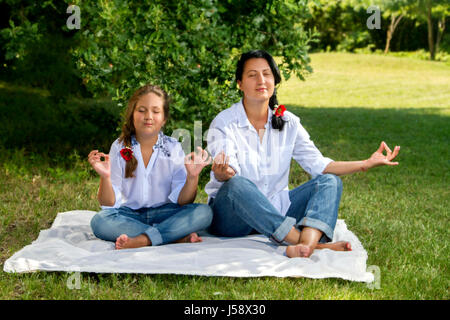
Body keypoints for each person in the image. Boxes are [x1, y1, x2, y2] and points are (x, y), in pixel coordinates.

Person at [205, 50, 400, 258]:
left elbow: (320, 165)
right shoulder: (225, 121)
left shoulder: (288, 121)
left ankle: (303, 247)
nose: (261, 80)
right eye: (252, 75)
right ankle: (311, 244)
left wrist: (366, 163)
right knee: (238, 185)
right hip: (233, 219)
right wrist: (223, 172)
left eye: (267, 74)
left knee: (329, 182)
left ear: (275, 80)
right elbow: (229, 171)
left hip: (277, 210)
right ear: (240, 83)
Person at [88, 84, 213, 250]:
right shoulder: (119, 147)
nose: (148, 116)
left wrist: (192, 177)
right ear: (132, 114)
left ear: (164, 119)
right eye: (141, 110)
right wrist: (105, 177)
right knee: (100, 221)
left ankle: (143, 240)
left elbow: (184, 201)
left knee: (204, 212)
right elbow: (108, 203)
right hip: (128, 216)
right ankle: (172, 236)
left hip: (166, 213)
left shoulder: (173, 147)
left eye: (155, 111)